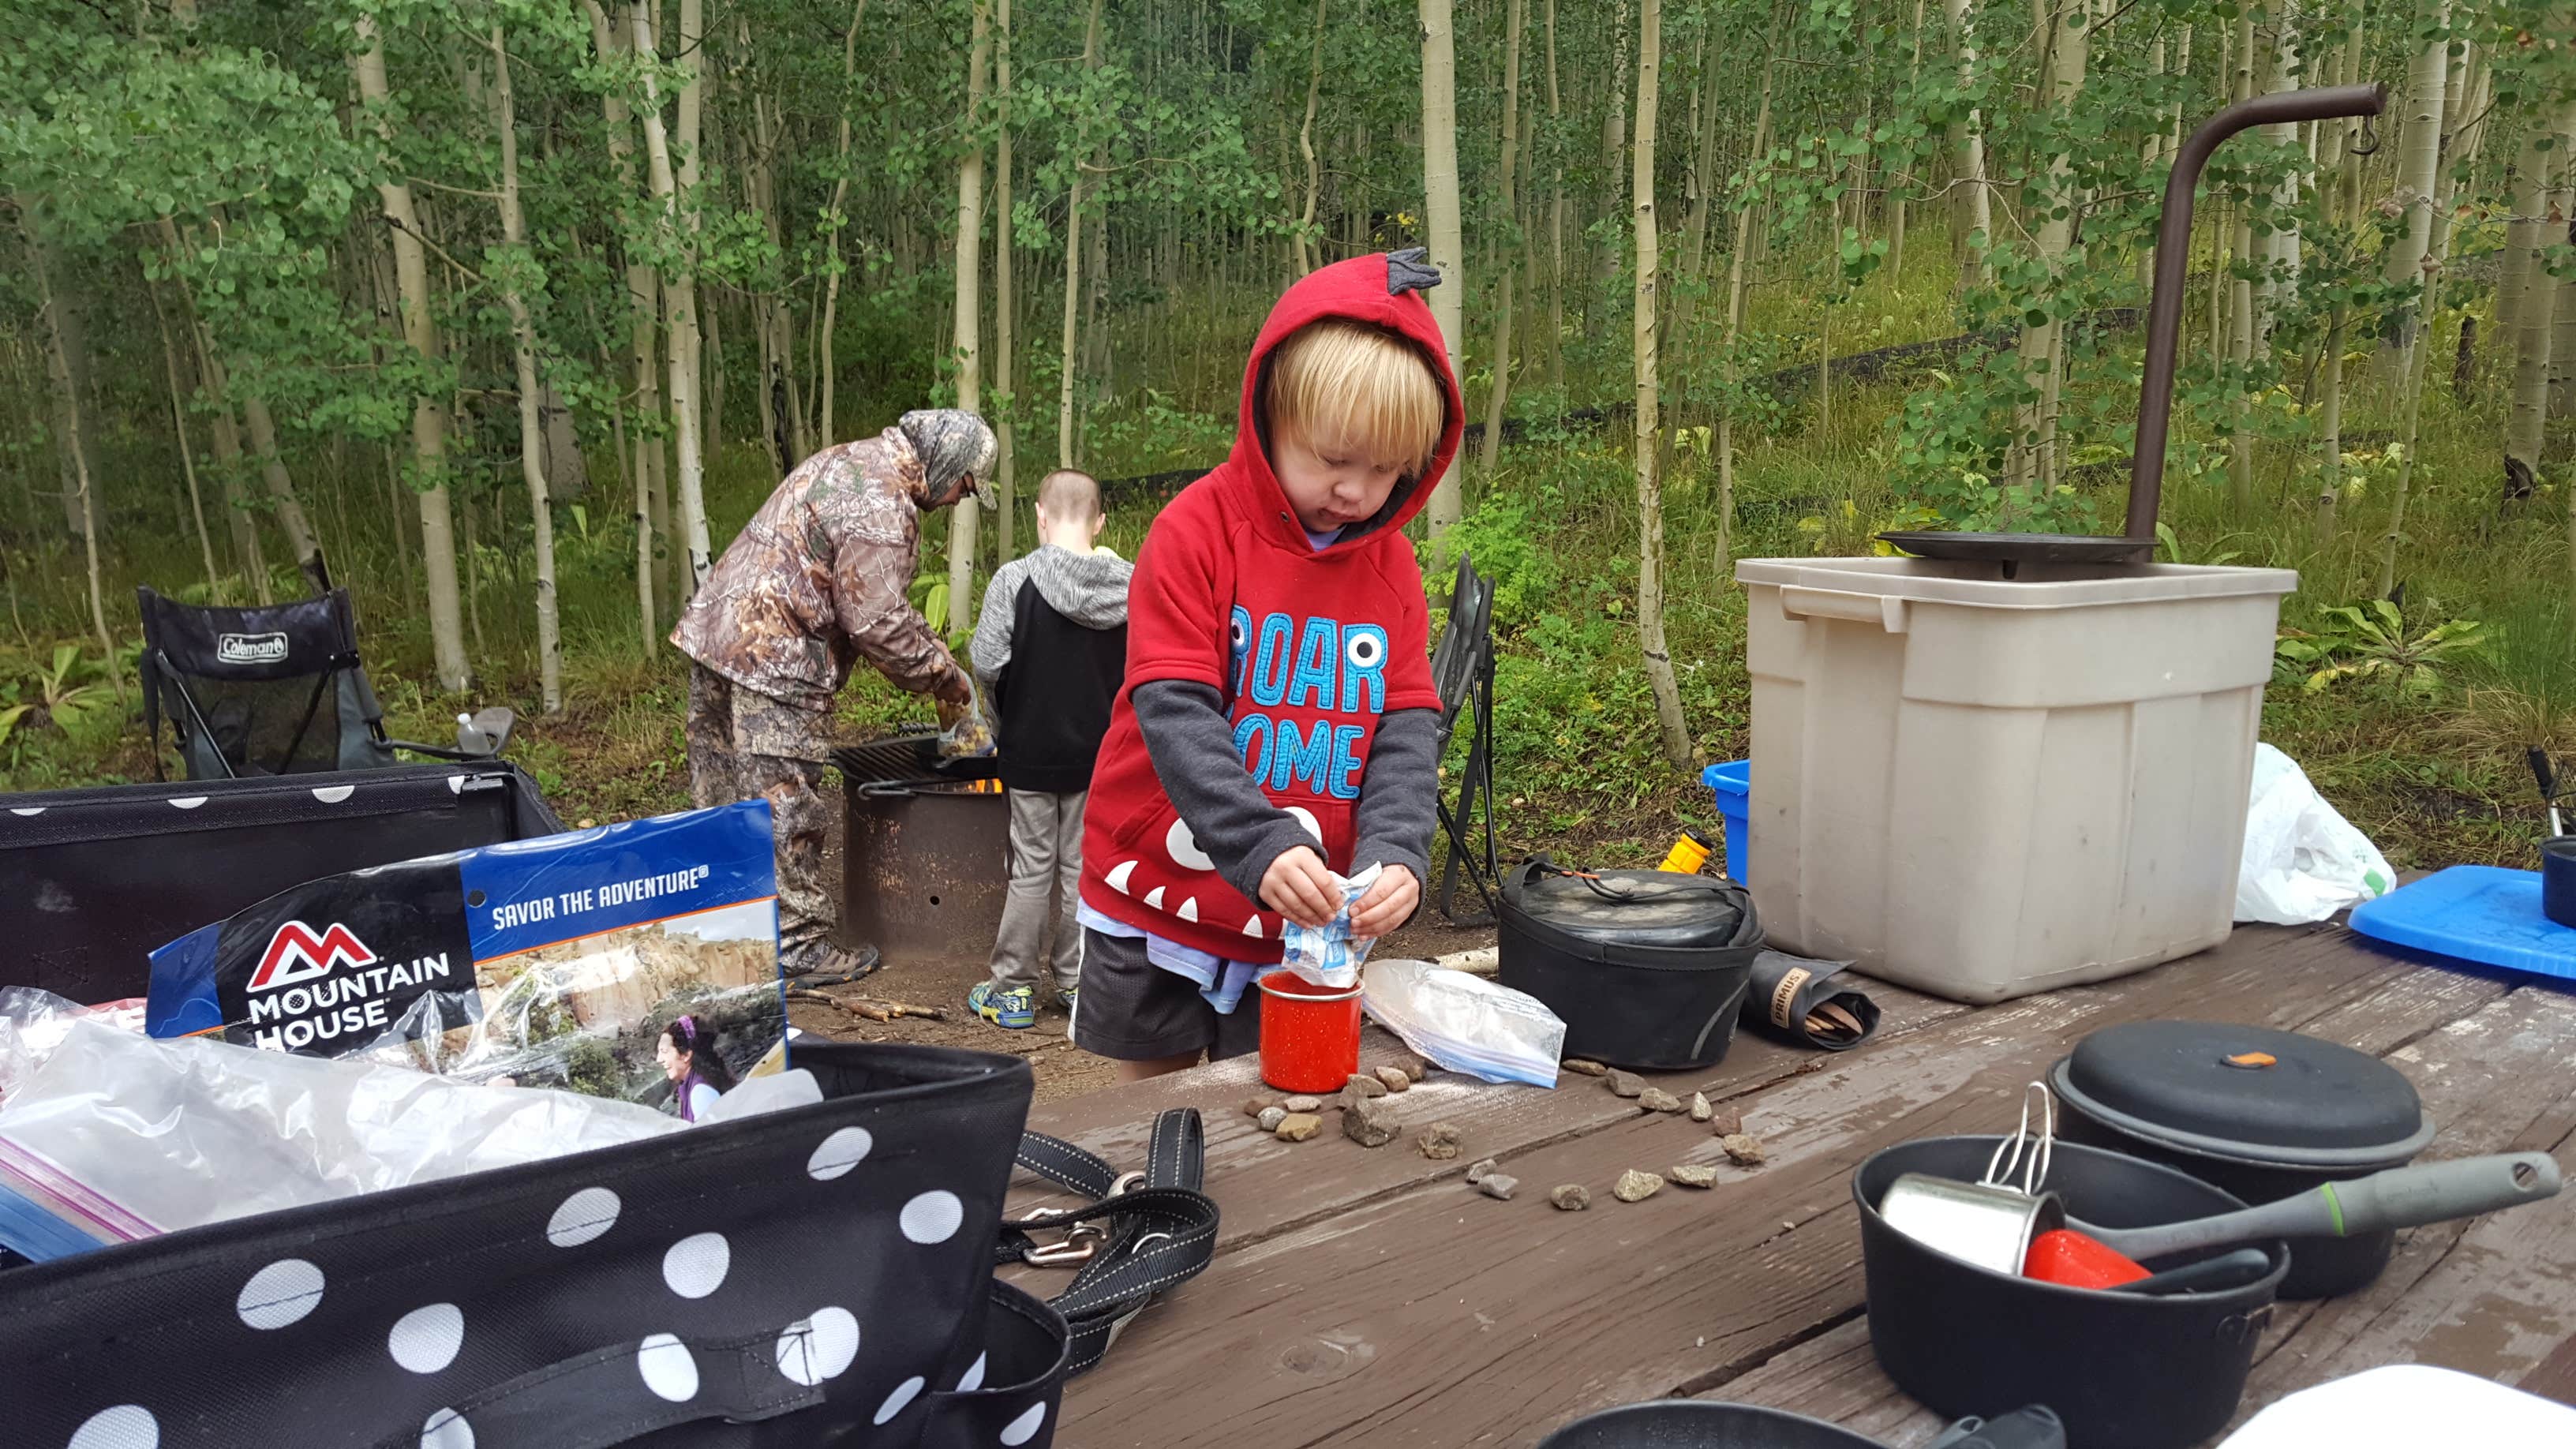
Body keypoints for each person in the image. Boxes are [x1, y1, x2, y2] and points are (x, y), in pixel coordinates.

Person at [1070, 249, 1457, 1080]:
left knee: (1280, 1111)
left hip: (1304, 924)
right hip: (1159, 893)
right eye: (1332, 460)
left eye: (1386, 470)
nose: (1357, 492)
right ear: (1269, 415)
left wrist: (1396, 854)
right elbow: (1175, 711)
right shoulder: (1194, 531)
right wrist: (1259, 842)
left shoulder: (1392, 570)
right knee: (1159, 1111)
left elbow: (1406, 730)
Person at [672, 410, 995, 983]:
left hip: (720, 637)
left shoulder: (851, 459)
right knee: (785, 803)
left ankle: (729, 938)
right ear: (945, 462)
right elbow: (878, 624)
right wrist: (947, 679)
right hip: (777, 658)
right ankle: (795, 950)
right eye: (965, 485)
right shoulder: (883, 504)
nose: (960, 500)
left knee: (726, 802)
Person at [965, 469, 1133, 1029]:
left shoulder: (1014, 581)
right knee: (1085, 869)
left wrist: (1000, 721)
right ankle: (1078, 984)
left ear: (1040, 515)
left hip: (1031, 752)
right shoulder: (1131, 587)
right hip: (1100, 758)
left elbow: (987, 664)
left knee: (1032, 868)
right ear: (1100, 522)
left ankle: (1012, 990)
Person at [656, 1014, 737, 1122]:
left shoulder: (701, 1092)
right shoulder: (695, 1083)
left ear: (686, 1055)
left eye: (664, 1052)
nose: (659, 1059)